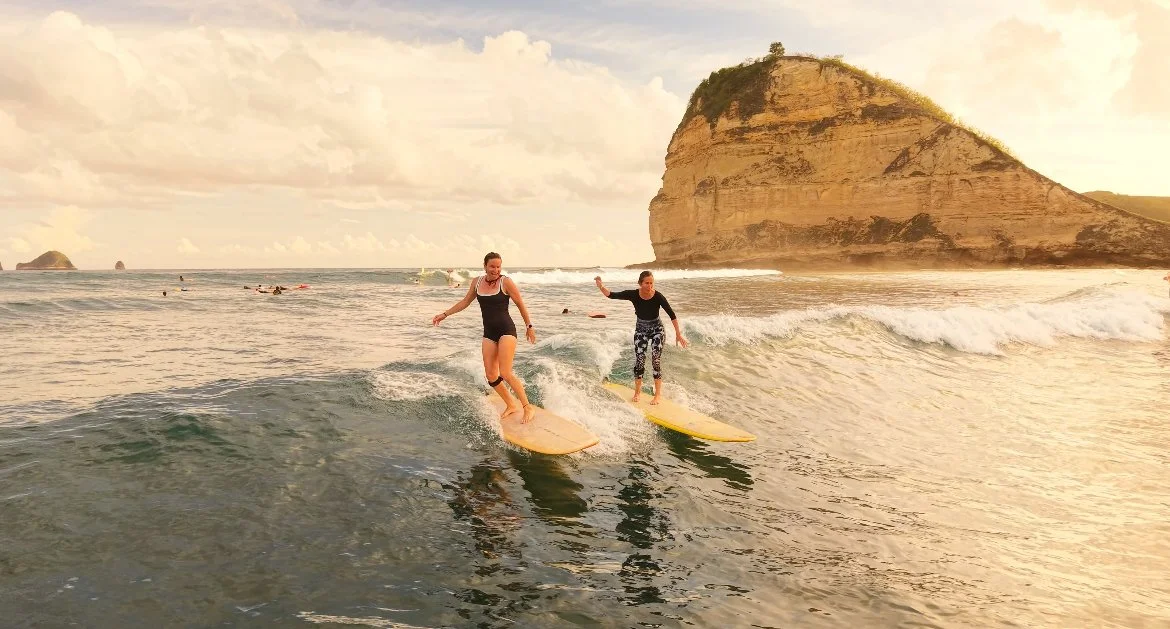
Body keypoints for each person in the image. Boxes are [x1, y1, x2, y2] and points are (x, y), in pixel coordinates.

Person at [433, 252, 538, 422]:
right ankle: (511, 404)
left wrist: (529, 326)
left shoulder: (506, 282)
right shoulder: (477, 282)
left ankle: (527, 407)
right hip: (489, 332)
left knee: (505, 372)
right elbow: (465, 302)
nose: (496, 270)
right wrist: (444, 314)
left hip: (506, 330)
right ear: (485, 266)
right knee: (491, 375)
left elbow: (520, 303)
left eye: (498, 266)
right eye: (492, 266)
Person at [594, 271, 688, 405]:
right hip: (641, 330)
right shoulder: (633, 294)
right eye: (646, 283)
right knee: (640, 360)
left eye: (651, 283)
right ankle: (637, 392)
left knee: (655, 359)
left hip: (657, 330)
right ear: (640, 283)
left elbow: (672, 314)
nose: (649, 286)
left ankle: (658, 395)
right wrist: (600, 286)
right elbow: (611, 295)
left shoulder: (658, 296)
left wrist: (678, 334)